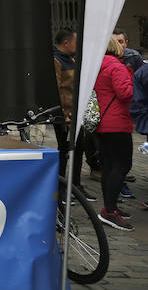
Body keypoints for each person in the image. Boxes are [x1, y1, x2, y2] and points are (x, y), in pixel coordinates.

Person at [52, 29, 97, 201]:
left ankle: (76, 186)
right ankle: (61, 189)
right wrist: (64, 116)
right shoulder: (56, 60)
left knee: (79, 148)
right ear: (66, 43)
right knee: (65, 150)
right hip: (65, 115)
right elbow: (56, 91)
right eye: (76, 42)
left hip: (76, 112)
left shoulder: (71, 58)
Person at [95, 36, 134, 231]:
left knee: (110, 166)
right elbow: (125, 93)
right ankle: (109, 211)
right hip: (117, 122)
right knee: (121, 166)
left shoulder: (97, 66)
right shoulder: (117, 67)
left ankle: (110, 207)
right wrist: (131, 76)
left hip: (103, 123)